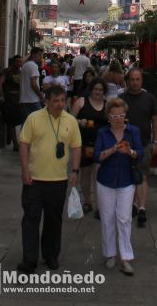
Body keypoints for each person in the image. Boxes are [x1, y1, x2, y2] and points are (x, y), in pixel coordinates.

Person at [17, 84, 82, 274]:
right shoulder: (34, 118)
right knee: (31, 219)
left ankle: (51, 255)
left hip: (58, 180)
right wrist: (24, 170)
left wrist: (75, 171)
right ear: (46, 101)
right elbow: (23, 144)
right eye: (56, 101)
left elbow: (76, 146)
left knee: (54, 221)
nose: (60, 104)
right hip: (34, 179)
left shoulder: (70, 120)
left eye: (62, 100)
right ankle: (29, 259)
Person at [93, 97, 143, 275]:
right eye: (114, 116)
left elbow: (140, 154)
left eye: (121, 115)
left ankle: (125, 257)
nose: (118, 119)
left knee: (124, 218)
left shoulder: (133, 131)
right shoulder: (102, 133)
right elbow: (97, 156)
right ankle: (109, 254)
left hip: (126, 180)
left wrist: (129, 152)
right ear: (108, 116)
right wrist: (113, 149)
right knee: (107, 218)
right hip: (105, 180)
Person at [121, 69, 157, 227]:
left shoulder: (149, 98)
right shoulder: (121, 98)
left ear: (141, 81)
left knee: (142, 176)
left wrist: (156, 141)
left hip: (144, 143)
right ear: (127, 81)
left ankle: (141, 207)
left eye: (137, 79)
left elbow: (155, 119)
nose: (134, 82)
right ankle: (133, 204)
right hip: (124, 144)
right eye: (132, 79)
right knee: (129, 176)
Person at [71, 77, 108, 214]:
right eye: (95, 89)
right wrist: (79, 122)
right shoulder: (81, 102)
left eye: (101, 89)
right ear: (91, 89)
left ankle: (99, 206)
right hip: (84, 144)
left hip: (102, 146)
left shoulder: (107, 105)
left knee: (99, 175)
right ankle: (87, 201)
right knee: (86, 174)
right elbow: (69, 119)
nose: (98, 92)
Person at [0, 54, 24, 151]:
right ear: (13, 62)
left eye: (21, 62)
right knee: (11, 122)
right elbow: (0, 83)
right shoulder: (7, 71)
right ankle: (15, 144)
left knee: (22, 120)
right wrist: (1, 95)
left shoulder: (21, 72)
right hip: (9, 99)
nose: (19, 63)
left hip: (19, 99)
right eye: (17, 61)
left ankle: (21, 142)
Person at [19, 47, 45, 122]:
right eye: (39, 55)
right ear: (33, 55)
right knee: (39, 121)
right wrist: (41, 96)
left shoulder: (25, 65)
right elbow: (33, 84)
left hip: (25, 99)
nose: (41, 57)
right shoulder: (33, 66)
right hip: (32, 99)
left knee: (28, 123)